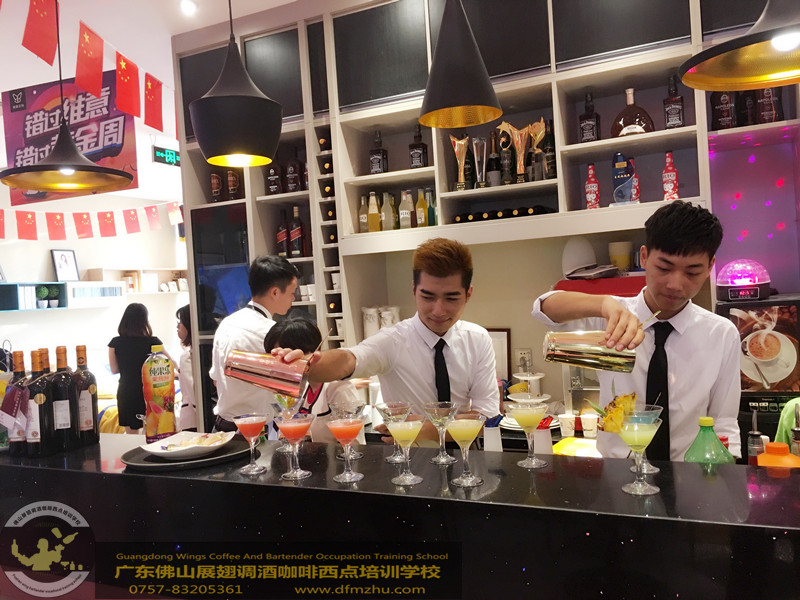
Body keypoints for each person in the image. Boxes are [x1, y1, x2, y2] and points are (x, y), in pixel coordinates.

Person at [531, 200, 741, 460]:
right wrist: (603, 304)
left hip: (689, 472)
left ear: (709, 267)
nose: (675, 284)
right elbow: (543, 307)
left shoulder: (721, 334)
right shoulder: (613, 318)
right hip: (617, 474)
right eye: (664, 268)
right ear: (644, 257)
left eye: (692, 272)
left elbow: (724, 423)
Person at [274, 237, 500, 443]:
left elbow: (487, 419)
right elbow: (349, 359)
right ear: (414, 290)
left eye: (451, 298)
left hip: (467, 461)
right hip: (409, 465)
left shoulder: (477, 339)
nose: (438, 310)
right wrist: (304, 364)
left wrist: (418, 429)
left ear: (468, 294)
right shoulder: (392, 341)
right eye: (428, 297)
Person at [209, 255, 299, 431]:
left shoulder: (227, 323)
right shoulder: (270, 331)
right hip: (254, 431)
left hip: (222, 427)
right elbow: (291, 385)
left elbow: (215, 380)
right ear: (275, 292)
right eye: (291, 292)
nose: (293, 298)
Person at [264, 316, 363, 444]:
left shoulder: (338, 387)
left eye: (285, 357)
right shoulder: (302, 387)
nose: (279, 364)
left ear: (307, 353)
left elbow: (354, 445)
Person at [108, 303, 163, 434]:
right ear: (145, 321)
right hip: (150, 391)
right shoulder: (153, 342)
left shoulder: (115, 343)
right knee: (153, 434)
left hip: (127, 391)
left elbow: (114, 369)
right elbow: (169, 363)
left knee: (132, 436)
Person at [175, 304, 197, 431]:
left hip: (192, 419)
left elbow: (193, 393)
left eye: (180, 322)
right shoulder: (200, 351)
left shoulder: (188, 356)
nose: (177, 326)